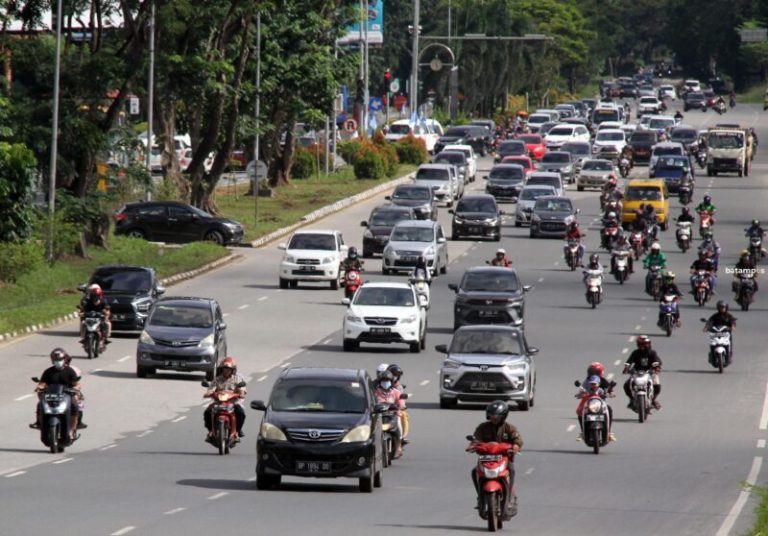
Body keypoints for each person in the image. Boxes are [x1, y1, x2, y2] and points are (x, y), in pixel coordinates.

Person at [467, 401, 523, 518]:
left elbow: (518, 440)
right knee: (474, 471)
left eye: (497, 416)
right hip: (486, 459)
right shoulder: (483, 427)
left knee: (511, 470)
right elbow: (476, 439)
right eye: (492, 416)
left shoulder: (509, 428)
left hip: (504, 460)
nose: (494, 418)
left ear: (504, 416)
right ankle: (480, 496)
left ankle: (509, 498)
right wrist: (472, 445)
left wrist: (515, 447)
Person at [31, 348, 82, 441]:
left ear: (64, 359)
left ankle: (71, 429)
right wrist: (40, 387)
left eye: (60, 360)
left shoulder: (69, 371)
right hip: (51, 396)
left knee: (75, 406)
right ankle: (39, 422)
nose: (58, 362)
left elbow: (76, 384)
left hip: (66, 396)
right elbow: (42, 383)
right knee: (40, 405)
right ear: (52, 360)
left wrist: (75, 388)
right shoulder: (48, 371)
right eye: (55, 360)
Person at [203, 357, 247, 441]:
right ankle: (211, 431)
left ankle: (237, 431)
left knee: (240, 413)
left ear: (232, 370)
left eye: (228, 369)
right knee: (207, 412)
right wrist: (208, 393)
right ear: (221, 369)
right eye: (224, 368)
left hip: (233, 402)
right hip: (219, 402)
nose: (226, 371)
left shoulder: (237, 379)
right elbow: (212, 388)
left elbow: (242, 389)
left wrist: (241, 393)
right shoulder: (217, 379)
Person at [622, 335, 663, 410]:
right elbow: (628, 362)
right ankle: (631, 399)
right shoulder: (635, 353)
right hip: (637, 373)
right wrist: (626, 368)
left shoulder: (652, 353)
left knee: (657, 385)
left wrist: (657, 367)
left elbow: (658, 361)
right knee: (626, 385)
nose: (644, 345)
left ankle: (653, 400)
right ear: (638, 344)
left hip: (650, 372)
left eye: (646, 343)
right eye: (642, 344)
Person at [375, 370, 405, 458]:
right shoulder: (375, 392)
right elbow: (372, 403)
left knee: (398, 427)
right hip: (379, 415)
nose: (385, 382)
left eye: (387, 380)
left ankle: (398, 446)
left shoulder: (396, 392)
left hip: (393, 415)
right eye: (383, 380)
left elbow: (401, 403)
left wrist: (400, 406)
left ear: (391, 382)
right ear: (380, 382)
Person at [387, 364, 409, 444]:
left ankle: (403, 436)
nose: (395, 377)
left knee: (403, 415)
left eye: (397, 376)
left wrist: (401, 406)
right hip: (383, 409)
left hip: (395, 409)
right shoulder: (380, 385)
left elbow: (401, 400)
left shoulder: (399, 387)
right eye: (393, 375)